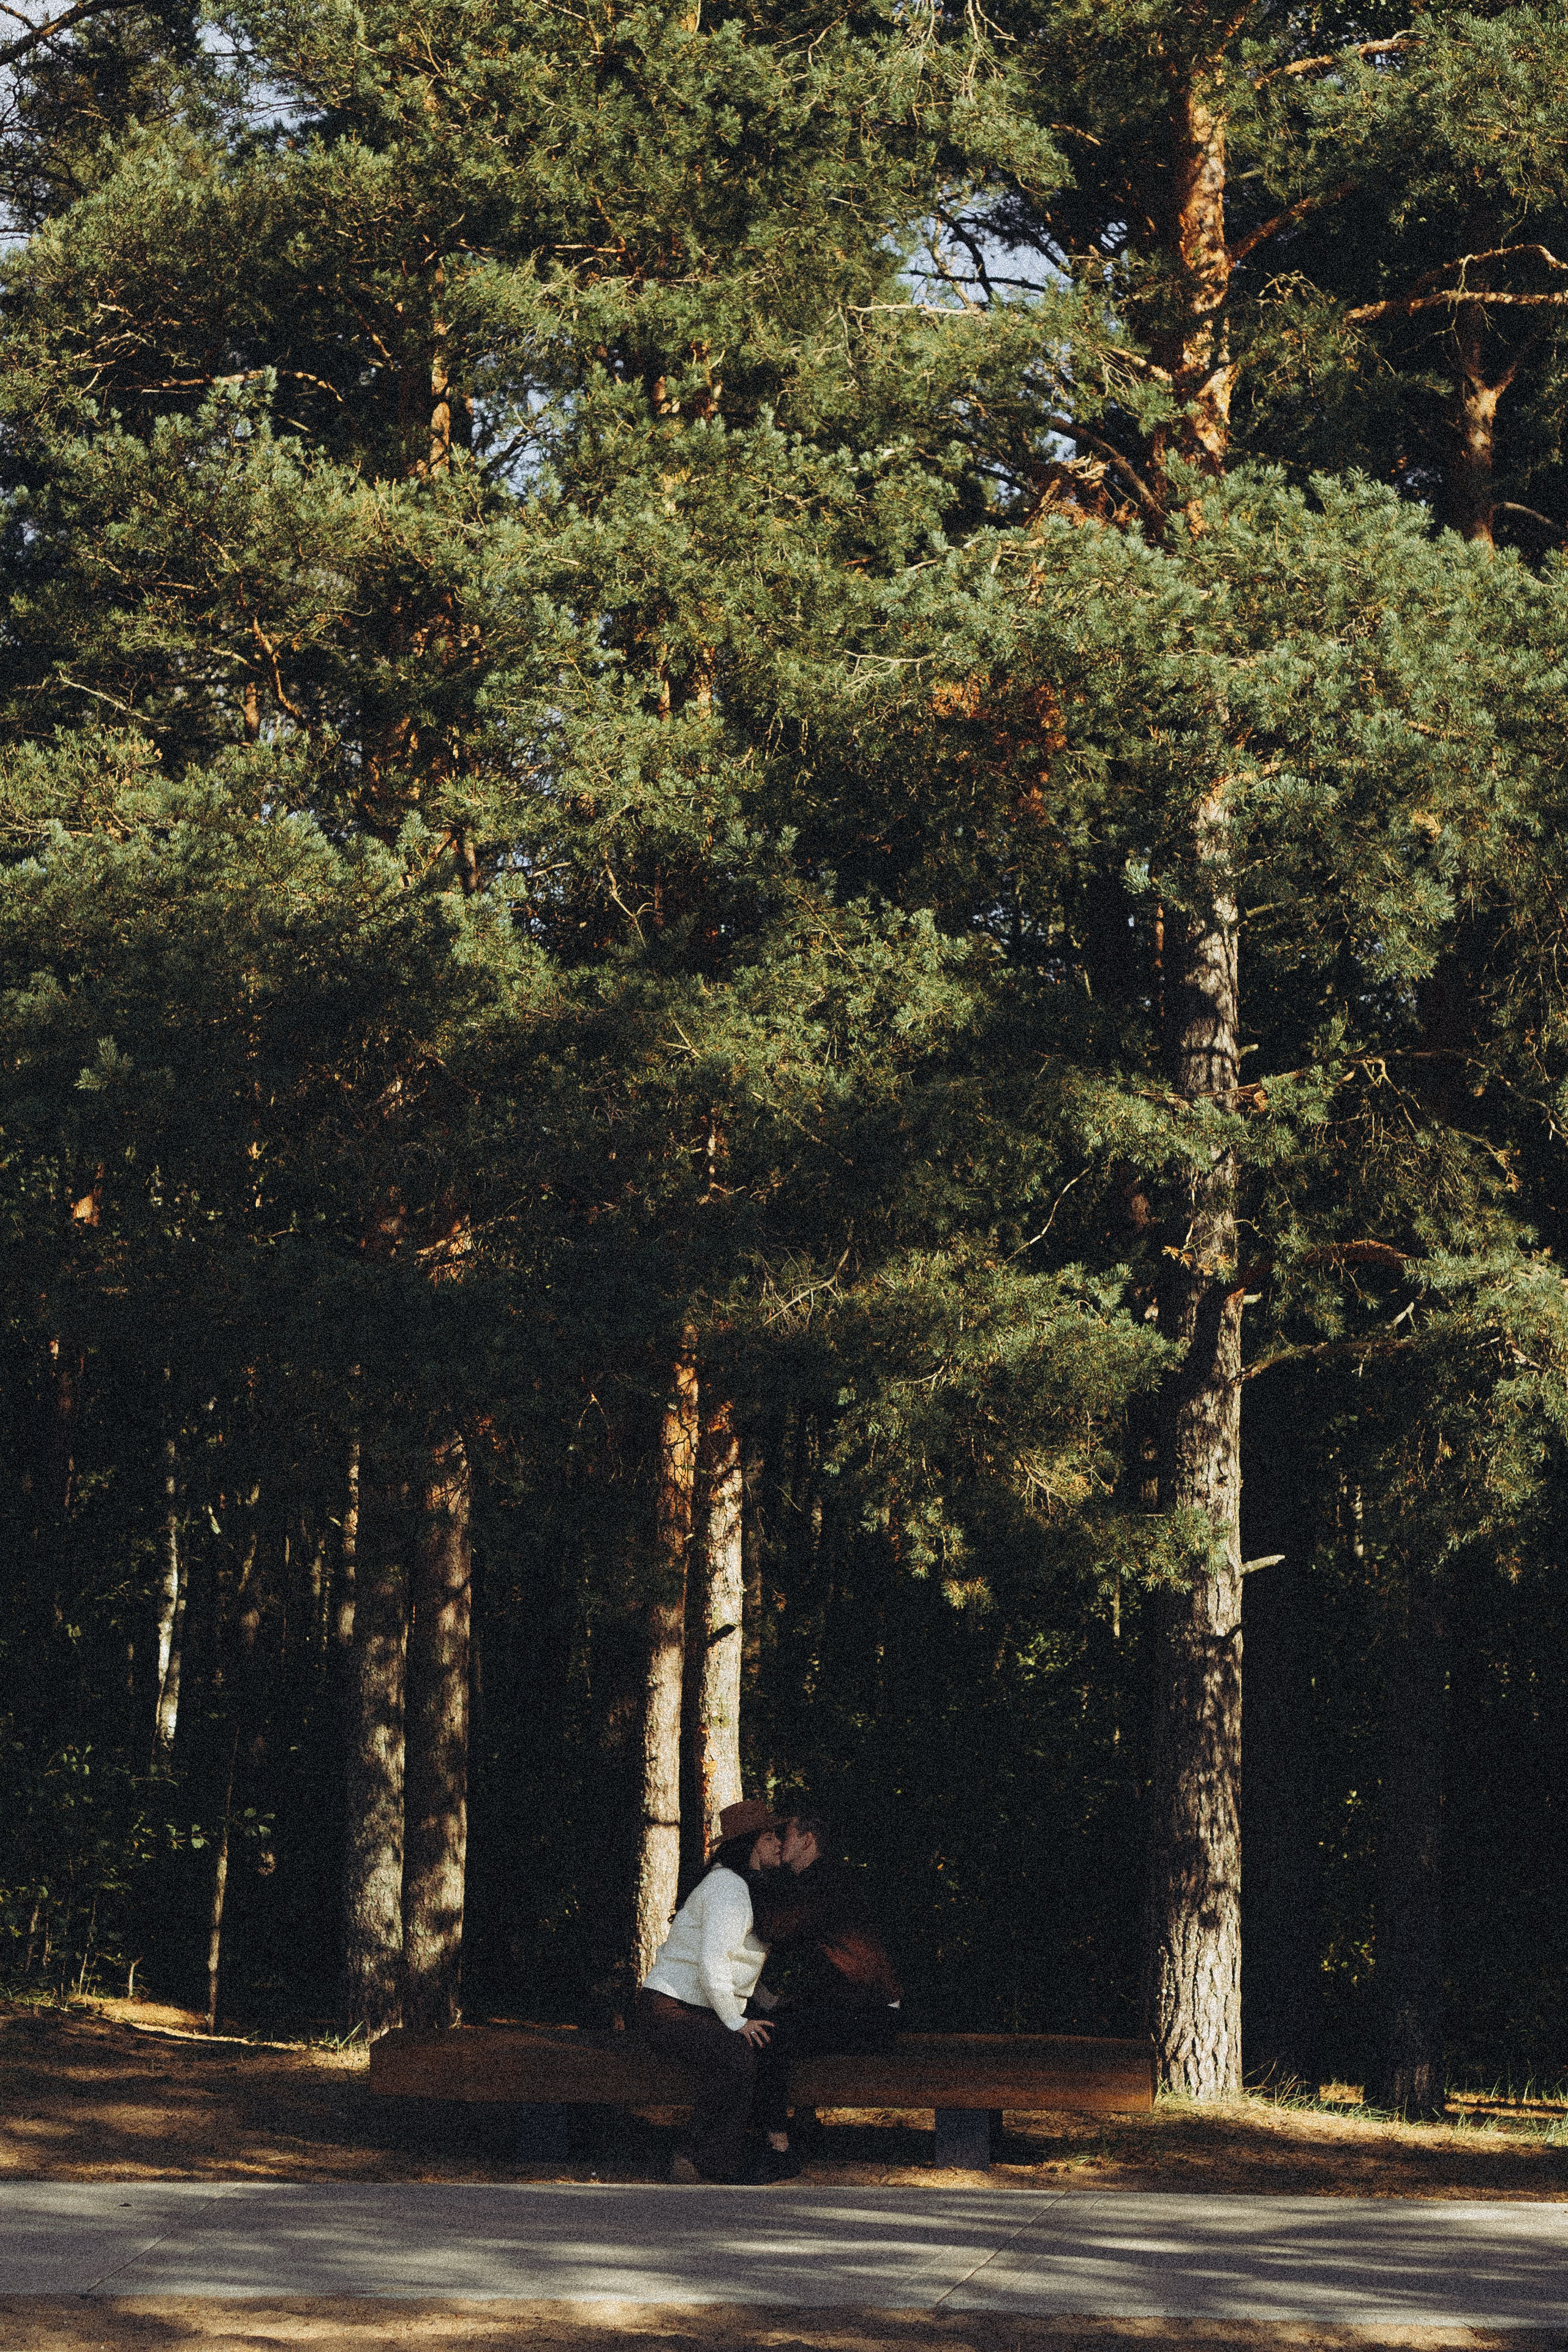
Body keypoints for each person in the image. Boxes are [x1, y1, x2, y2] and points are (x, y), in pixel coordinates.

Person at [636, 1796, 785, 2183]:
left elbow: (736, 1962)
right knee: (738, 2053)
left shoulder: (741, 1886)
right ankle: (699, 2161)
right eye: (771, 1838)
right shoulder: (727, 1887)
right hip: (667, 2007)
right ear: (754, 1844)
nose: (778, 1845)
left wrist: (768, 2003)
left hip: (691, 2008)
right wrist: (737, 2021)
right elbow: (713, 1962)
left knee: (752, 2049)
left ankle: (713, 2160)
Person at [749, 1807, 903, 2168]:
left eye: (785, 1835)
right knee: (779, 2020)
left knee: (767, 2039)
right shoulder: (821, 1880)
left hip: (871, 2014)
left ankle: (778, 2147)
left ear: (807, 1841)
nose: (781, 1842)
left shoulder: (823, 1883)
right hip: (863, 2007)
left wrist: (755, 1874)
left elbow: (773, 1927)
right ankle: (800, 2127)